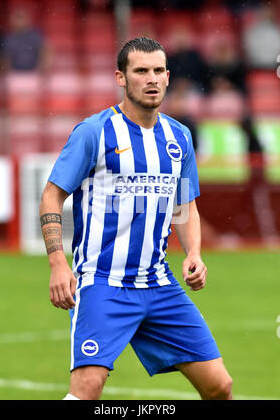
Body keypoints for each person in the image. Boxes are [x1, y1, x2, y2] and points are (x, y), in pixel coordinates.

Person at [39, 37, 233, 401]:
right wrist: (57, 263)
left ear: (168, 76)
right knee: (88, 388)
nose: (152, 79)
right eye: (141, 71)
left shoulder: (180, 137)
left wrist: (193, 253)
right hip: (101, 283)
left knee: (220, 386)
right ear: (121, 78)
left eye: (158, 71)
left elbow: (184, 206)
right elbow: (52, 195)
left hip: (159, 284)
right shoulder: (94, 132)